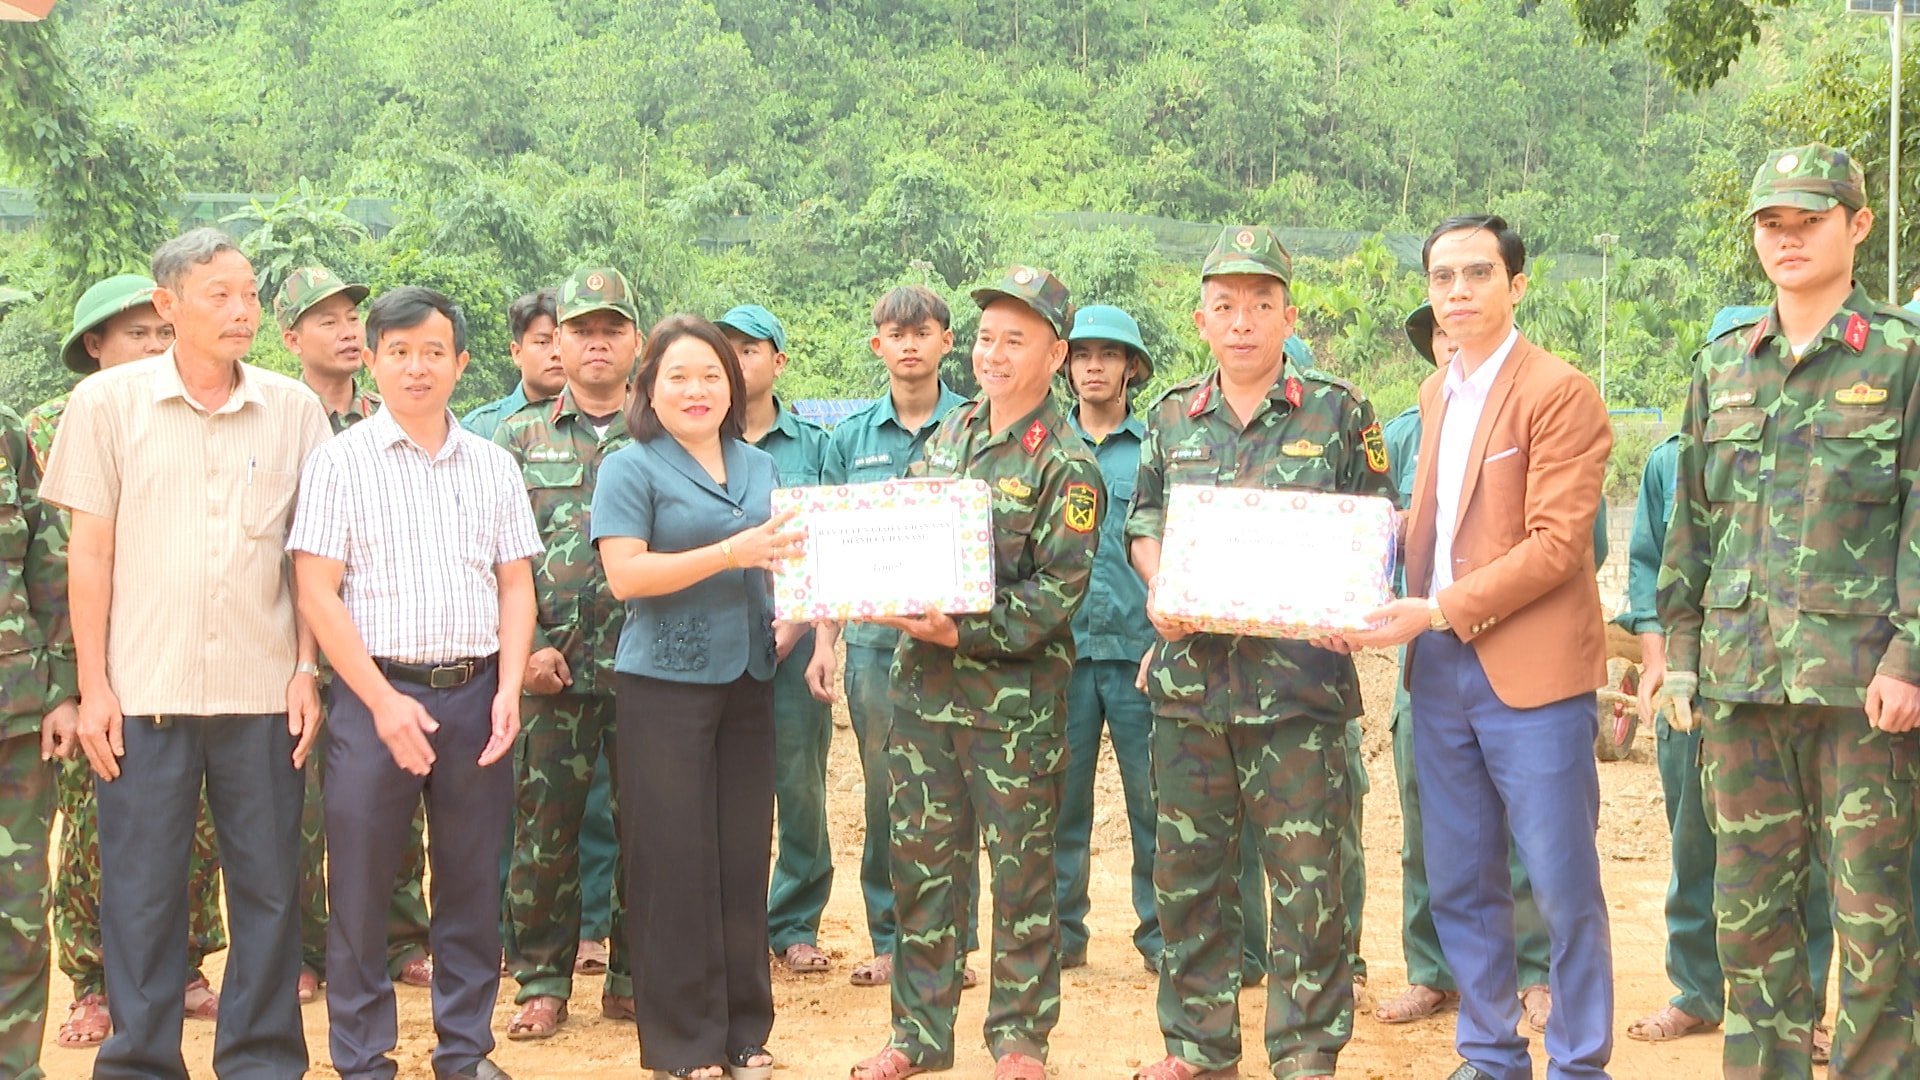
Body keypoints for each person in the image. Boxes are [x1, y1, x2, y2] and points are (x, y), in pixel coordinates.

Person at [40, 227, 333, 1079]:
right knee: (143, 895)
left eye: (248, 294)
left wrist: (305, 669)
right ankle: (139, 1062)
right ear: (167, 307)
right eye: (219, 295)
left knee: (271, 891)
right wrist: (95, 687)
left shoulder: (293, 409)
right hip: (143, 694)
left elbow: (308, 556)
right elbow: (87, 558)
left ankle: (263, 1059)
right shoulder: (106, 406)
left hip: (263, 692)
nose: (242, 311)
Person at [1656, 142, 1920, 1079]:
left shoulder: (1899, 358)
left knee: (1875, 919)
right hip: (1740, 685)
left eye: (1810, 220)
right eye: (1773, 222)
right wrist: (1678, 655)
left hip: (1862, 694)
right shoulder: (1724, 365)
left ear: (1857, 225)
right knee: (1751, 916)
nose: (1789, 238)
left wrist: (1909, 661)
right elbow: (1690, 526)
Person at [1348, 214, 1614, 1080]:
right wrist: (1372, 544)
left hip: (1531, 673)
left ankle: (1577, 1062)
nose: (1457, 292)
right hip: (1444, 672)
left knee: (1559, 881)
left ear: (1516, 286)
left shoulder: (1558, 390)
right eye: (1442, 278)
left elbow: (1555, 545)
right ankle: (1491, 1053)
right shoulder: (1437, 393)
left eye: (1476, 274)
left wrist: (1435, 610)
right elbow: (1440, 524)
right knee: (1461, 877)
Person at [1126, 227, 1387, 1080]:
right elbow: (1145, 523)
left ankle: (1307, 1053)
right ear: (1201, 319)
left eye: (1262, 304)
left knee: (1309, 887)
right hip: (1192, 690)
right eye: (1226, 305)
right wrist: (1160, 586)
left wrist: (1356, 600)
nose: (1243, 321)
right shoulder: (1169, 416)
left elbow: (1376, 524)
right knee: (1189, 881)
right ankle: (1198, 1048)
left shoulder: (1341, 412)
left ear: (1289, 315)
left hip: (1299, 695)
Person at [851, 264, 1101, 1080]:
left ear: (1056, 353)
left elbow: (1058, 595)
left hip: (1014, 708)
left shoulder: (1068, 464)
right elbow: (905, 537)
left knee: (1024, 878)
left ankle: (1019, 1040)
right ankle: (917, 1037)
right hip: (923, 698)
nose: (993, 354)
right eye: (987, 336)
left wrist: (961, 633)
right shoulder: (950, 433)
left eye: (1015, 340)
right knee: (923, 871)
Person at [289, 285, 540, 1080]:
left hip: (476, 697)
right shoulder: (339, 463)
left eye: (433, 351)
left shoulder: (495, 465)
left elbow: (514, 585)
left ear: (461, 363)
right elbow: (316, 591)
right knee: (360, 889)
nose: (416, 366)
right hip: (373, 701)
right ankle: (364, 1058)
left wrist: (508, 687)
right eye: (397, 351)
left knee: (470, 883)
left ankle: (464, 1051)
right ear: (372, 359)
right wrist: (382, 702)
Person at [1620, 305, 1842, 1060]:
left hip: (1790, 688)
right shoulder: (1667, 460)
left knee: (1800, 860)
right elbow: (1653, 566)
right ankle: (1695, 989)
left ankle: (1801, 1005)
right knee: (1696, 847)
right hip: (1700, 682)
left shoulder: (1814, 449)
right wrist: (1659, 665)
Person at [592, 314, 798, 1080]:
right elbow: (627, 576)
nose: (697, 389)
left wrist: (801, 612)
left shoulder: (756, 465)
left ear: (733, 385)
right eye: (678, 376)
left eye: (712, 375)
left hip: (747, 680)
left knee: (743, 859)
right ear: (649, 386)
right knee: (673, 862)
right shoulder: (631, 466)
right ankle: (683, 1044)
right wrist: (728, 554)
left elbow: (786, 560)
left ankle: (744, 1032)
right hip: (664, 686)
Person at [28, 274, 231, 1047]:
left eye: (160, 332)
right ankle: (93, 979)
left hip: (182, 657)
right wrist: (72, 681)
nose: (153, 345)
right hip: (96, 668)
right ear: (94, 346)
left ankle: (182, 967)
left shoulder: (193, 414)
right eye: (136, 335)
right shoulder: (47, 429)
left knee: (197, 825)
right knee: (93, 829)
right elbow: (49, 569)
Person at [1368, 302, 1559, 1034]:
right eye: (1442, 337)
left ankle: (1533, 972)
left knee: (1523, 823)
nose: (1456, 344)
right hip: (1429, 658)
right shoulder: (1402, 435)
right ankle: (1432, 970)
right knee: (1428, 821)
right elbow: (1374, 536)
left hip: (1516, 651)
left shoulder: (1538, 410)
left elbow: (1571, 546)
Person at [274, 265, 435, 1004]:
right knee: (308, 809)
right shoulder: (273, 414)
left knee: (396, 793)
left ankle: (402, 936)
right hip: (293, 639)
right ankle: (309, 948)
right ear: (289, 336)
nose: (343, 330)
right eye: (325, 319)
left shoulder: (388, 415)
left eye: (350, 318)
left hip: (386, 642)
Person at [820, 285, 980, 990]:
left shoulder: (979, 427)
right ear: (876, 344)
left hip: (957, 648)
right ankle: (890, 939)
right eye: (895, 332)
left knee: (960, 795)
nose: (909, 343)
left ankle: (959, 945)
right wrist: (824, 644)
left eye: (924, 331)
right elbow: (822, 553)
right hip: (875, 653)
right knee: (889, 797)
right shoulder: (849, 439)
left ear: (949, 342)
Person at [495, 267, 641, 1039]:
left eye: (610, 329)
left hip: (648, 665)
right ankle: (543, 981)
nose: (593, 343)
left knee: (646, 827)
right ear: (559, 340)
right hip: (548, 669)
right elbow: (489, 554)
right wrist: (524, 651)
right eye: (580, 330)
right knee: (543, 830)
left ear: (635, 343)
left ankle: (630, 977)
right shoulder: (517, 435)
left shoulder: (665, 430)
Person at [716, 303, 841, 975]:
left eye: (751, 348)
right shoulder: (697, 441)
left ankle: (794, 922)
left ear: (778, 361)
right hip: (714, 643)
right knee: (720, 789)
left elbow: (829, 544)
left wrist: (816, 637)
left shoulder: (815, 447)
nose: (738, 361)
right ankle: (730, 924)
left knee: (799, 787)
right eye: (725, 348)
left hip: (792, 647)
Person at [1051, 303, 1160, 973]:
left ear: (1130, 368)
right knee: (1061, 804)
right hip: (1060, 656)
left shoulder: (1154, 449)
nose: (1094, 365)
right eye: (1082, 354)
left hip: (1138, 655)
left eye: (1108, 355)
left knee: (1155, 804)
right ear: (1065, 366)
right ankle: (1061, 936)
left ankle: (1160, 936)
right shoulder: (1045, 447)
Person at [0, 399, 76, 1080]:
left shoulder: (5, 431)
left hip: (16, 718)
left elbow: (48, 567)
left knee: (18, 913)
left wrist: (62, 691)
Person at [463, 288, 567, 439]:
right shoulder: (481, 429)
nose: (556, 353)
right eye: (543, 342)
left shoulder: (601, 424)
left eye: (562, 342)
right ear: (517, 353)